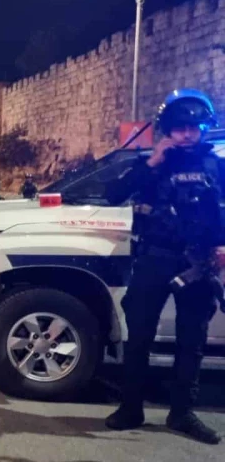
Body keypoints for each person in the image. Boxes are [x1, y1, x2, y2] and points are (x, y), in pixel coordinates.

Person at [104, 89, 224, 444]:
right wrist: (153, 163)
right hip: (154, 259)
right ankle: (130, 408)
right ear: (167, 130)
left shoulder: (216, 166)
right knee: (139, 336)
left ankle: (182, 413)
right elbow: (114, 195)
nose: (187, 134)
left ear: (204, 129)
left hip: (199, 263)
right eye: (180, 127)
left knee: (192, 341)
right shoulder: (150, 165)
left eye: (193, 127)